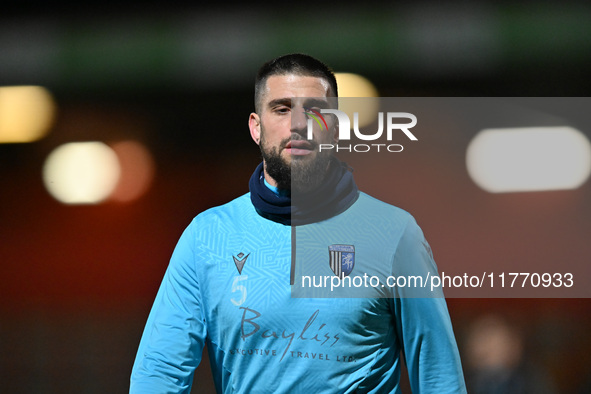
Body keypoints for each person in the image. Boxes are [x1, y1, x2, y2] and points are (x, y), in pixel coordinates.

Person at [130, 53, 467, 393]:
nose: (298, 124)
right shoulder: (206, 236)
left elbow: (440, 378)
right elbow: (158, 374)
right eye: (281, 109)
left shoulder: (395, 233)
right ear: (256, 127)